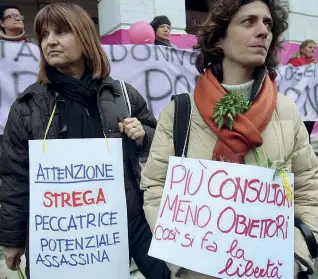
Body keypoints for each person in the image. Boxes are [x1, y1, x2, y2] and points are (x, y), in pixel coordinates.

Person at [141, 1, 318, 279]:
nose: (263, 32)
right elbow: (155, 189)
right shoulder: (180, 112)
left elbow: (309, 190)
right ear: (219, 38)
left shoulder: (287, 111)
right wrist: (186, 266)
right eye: (249, 22)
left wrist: (295, 257)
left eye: (268, 24)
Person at [0, 3, 170, 279]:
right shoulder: (28, 107)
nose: (50, 41)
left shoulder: (123, 95)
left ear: (85, 37)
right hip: (64, 237)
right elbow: (15, 177)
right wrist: (13, 238)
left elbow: (158, 142)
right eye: (44, 35)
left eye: (62, 31)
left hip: (130, 221)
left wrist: (143, 135)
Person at [288, 39, 317, 141]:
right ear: (302, 50)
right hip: (300, 104)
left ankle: (307, 152)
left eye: (314, 48)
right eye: (310, 47)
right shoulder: (294, 62)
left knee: (309, 129)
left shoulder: (314, 63)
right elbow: (293, 81)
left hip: (311, 104)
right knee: (301, 131)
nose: (313, 49)